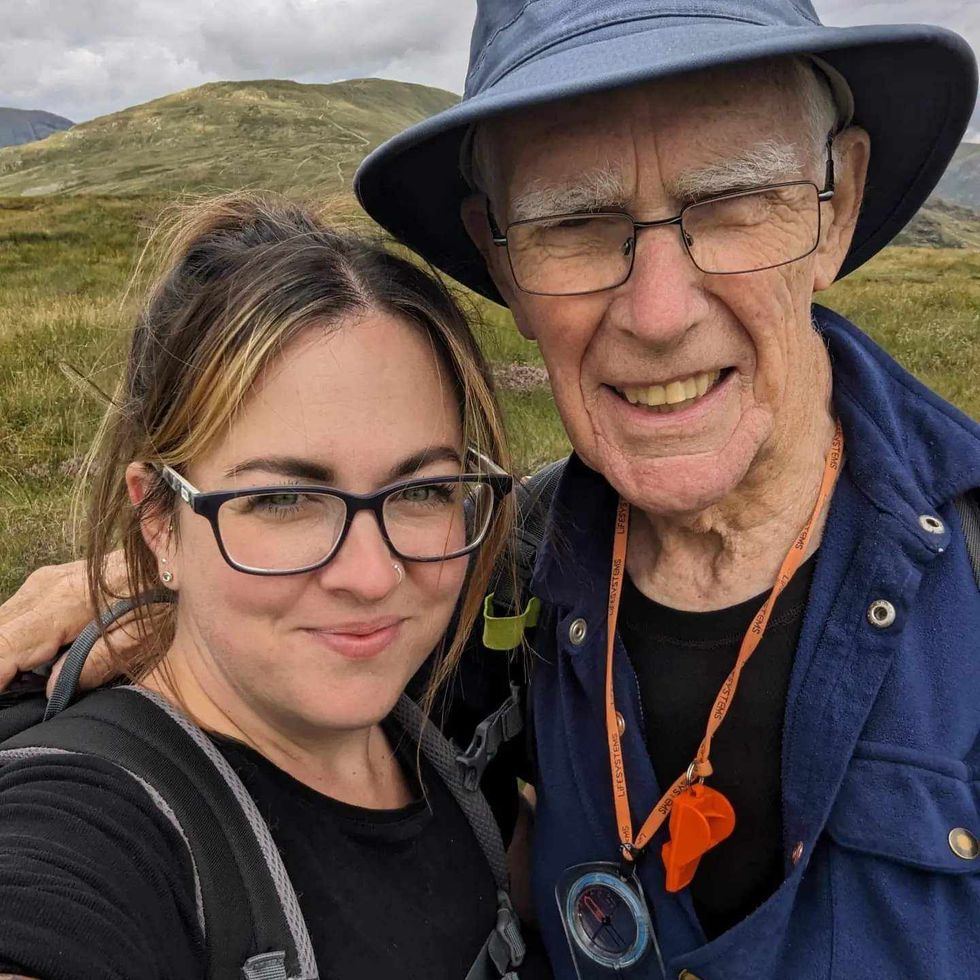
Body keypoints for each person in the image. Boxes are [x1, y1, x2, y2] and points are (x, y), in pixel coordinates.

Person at [3, 2, 979, 978]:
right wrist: (151, 569)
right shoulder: (496, 576)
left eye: (730, 201)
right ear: (500, 254)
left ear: (834, 199)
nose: (657, 311)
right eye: (573, 221)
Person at [0, 194, 551, 980]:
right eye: (284, 500)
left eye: (422, 489)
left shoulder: (439, 716)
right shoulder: (93, 824)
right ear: (159, 519)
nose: (371, 576)